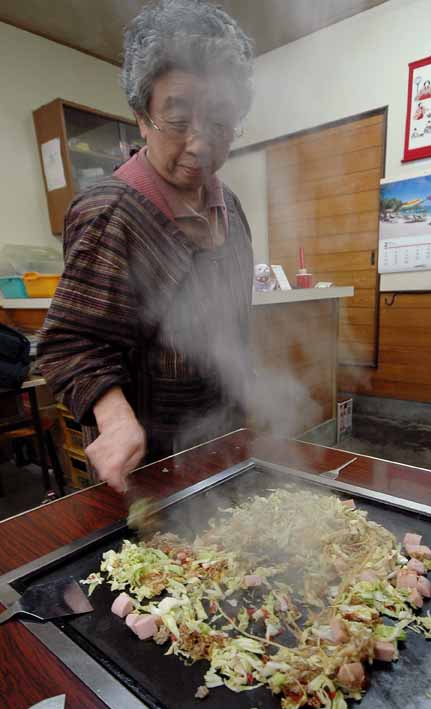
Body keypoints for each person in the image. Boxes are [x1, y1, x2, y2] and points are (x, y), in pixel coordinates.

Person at [37, 0, 255, 492]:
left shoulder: (233, 210)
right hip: (147, 469)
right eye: (178, 122)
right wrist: (114, 419)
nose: (200, 145)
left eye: (220, 122)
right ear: (141, 118)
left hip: (223, 447)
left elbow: (234, 331)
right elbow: (70, 343)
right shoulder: (111, 212)